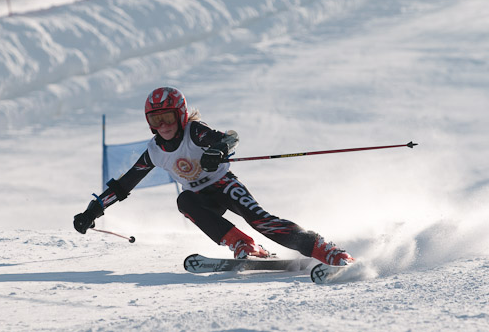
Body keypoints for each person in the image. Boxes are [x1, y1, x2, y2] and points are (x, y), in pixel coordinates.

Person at [74, 87, 354, 266]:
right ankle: (241, 243)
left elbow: (230, 139)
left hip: (224, 185)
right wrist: (94, 209)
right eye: (156, 120)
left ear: (181, 115)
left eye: (168, 118)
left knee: (258, 219)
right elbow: (124, 185)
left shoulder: (195, 132)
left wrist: (217, 151)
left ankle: (320, 247)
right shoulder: (154, 151)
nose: (164, 126)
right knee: (185, 201)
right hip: (200, 198)